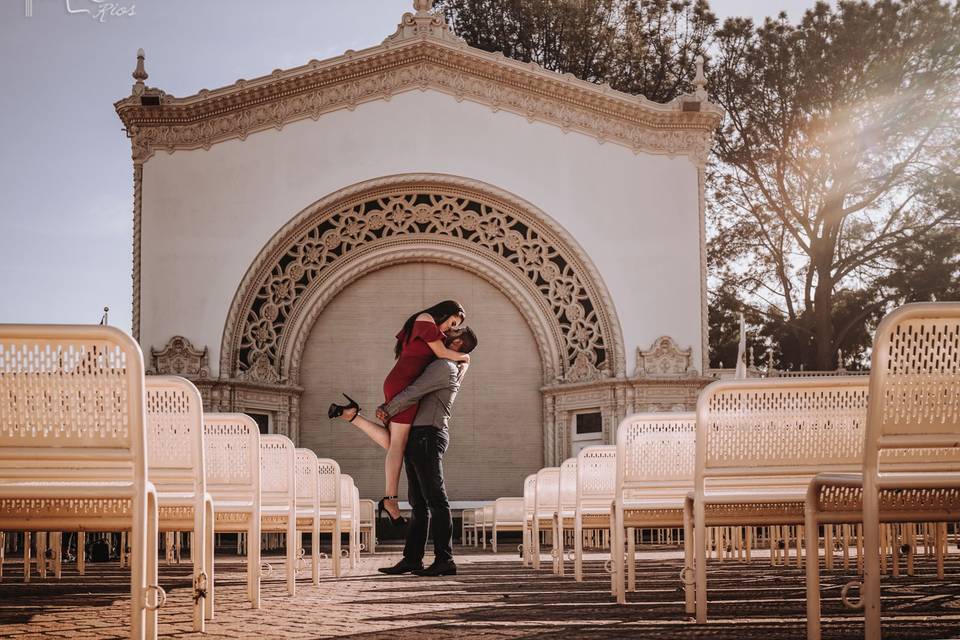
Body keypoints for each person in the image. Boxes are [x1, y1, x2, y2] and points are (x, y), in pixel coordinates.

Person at [331, 325, 478, 576]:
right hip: (420, 436)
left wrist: (389, 408)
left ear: (456, 345)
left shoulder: (443, 367)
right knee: (418, 503)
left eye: (453, 333)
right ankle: (412, 559)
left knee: (435, 500)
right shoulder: (446, 364)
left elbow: (415, 391)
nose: (446, 334)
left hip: (428, 436)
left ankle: (445, 560)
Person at [328, 300, 470, 525]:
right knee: (397, 446)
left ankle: (351, 415)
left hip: (401, 382)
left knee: (398, 444)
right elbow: (443, 352)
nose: (449, 329)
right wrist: (466, 358)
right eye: (452, 322)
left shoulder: (435, 331)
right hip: (403, 384)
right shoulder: (426, 320)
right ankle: (390, 500)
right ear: (446, 312)